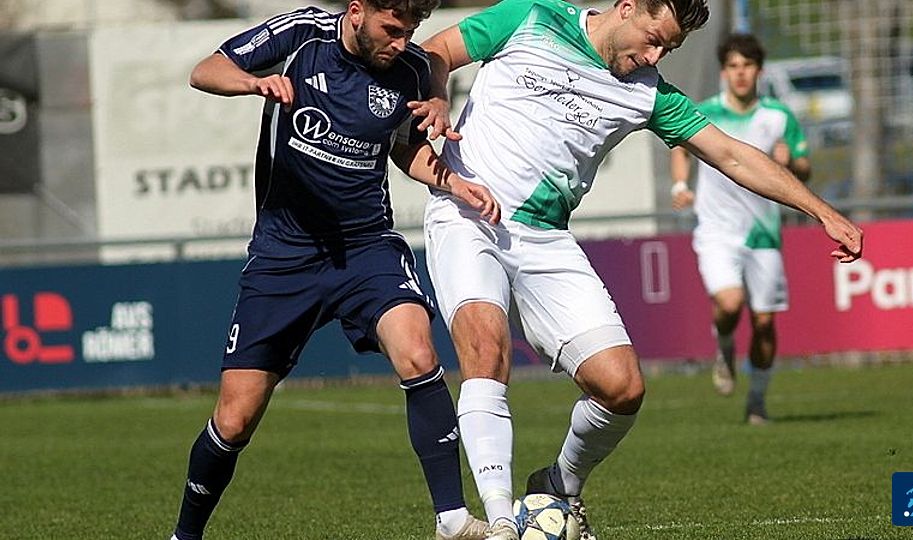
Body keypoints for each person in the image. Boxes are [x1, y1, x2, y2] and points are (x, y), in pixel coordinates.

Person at [409, 1, 862, 538]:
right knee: (486, 348)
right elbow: (436, 50)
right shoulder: (531, 17)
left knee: (622, 387)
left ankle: (559, 485)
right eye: (653, 38)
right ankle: (502, 521)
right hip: (466, 213)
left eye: (668, 48)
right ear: (626, 8)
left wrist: (822, 211)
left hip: (545, 236)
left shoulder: (649, 93)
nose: (655, 55)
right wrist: (438, 94)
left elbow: (732, 155)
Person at [169, 3, 502, 539]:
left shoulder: (411, 69)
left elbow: (405, 147)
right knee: (234, 419)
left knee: (418, 352)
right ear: (357, 11)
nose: (401, 42)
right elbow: (205, 71)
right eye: (391, 29)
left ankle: (452, 519)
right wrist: (254, 85)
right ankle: (184, 535)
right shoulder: (304, 35)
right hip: (284, 256)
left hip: (366, 247)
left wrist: (454, 182)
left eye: (410, 31)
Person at [670, 33, 811, 425]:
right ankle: (725, 344)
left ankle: (757, 402)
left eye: (747, 66)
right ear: (724, 72)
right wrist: (680, 185)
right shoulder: (705, 112)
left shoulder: (778, 117)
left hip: (763, 234)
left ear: (758, 71)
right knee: (730, 303)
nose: (740, 73)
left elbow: (804, 168)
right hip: (717, 230)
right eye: (733, 66)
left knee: (764, 322)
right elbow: (679, 146)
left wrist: (791, 162)